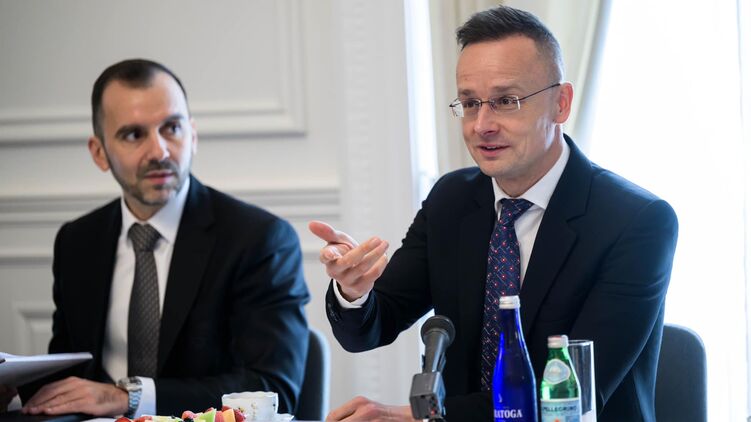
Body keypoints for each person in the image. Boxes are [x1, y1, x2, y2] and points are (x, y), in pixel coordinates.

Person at [310, 5, 677, 422]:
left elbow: (566, 396)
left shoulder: (636, 222)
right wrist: (354, 292)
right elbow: (371, 328)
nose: (481, 125)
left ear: (560, 103)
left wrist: (413, 417)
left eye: (505, 101)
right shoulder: (452, 200)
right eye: (470, 103)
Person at [9, 59, 310, 418]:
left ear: (193, 136)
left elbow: (272, 388)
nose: (159, 151)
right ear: (99, 153)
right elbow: (69, 377)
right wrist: (15, 393)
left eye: (172, 128)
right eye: (133, 135)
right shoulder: (77, 242)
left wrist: (127, 397)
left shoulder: (259, 240)